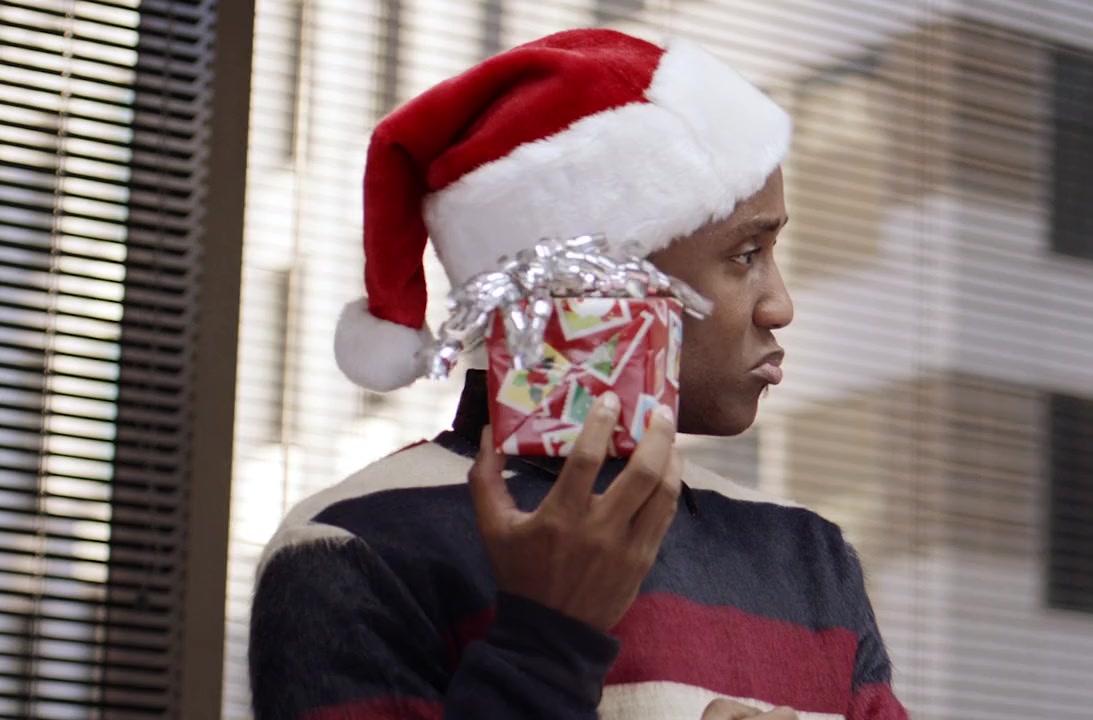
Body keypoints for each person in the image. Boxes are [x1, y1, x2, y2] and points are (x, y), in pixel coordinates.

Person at [249, 28, 909, 720]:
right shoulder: (355, 544)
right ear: (586, 284)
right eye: (746, 255)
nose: (781, 306)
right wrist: (546, 639)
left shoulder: (807, 556)